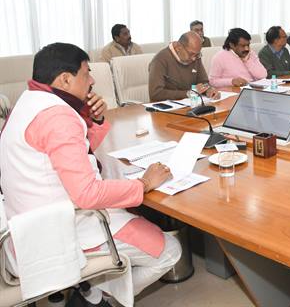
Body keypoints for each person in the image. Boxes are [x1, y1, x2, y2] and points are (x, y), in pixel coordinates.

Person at [0, 43, 181, 307]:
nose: (92, 80)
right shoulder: (58, 116)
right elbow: (87, 194)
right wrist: (144, 183)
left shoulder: (28, 103)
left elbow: (66, 157)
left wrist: (93, 121)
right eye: (86, 73)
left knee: (123, 201)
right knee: (170, 252)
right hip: (60, 230)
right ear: (65, 79)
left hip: (24, 225)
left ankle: (92, 291)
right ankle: (101, 298)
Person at [148, 31, 219, 102]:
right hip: (167, 106)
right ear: (178, 47)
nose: (194, 58)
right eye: (191, 54)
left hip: (191, 104)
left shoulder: (195, 57)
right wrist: (187, 93)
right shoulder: (160, 60)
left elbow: (203, 82)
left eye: (197, 54)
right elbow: (155, 93)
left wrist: (209, 90)